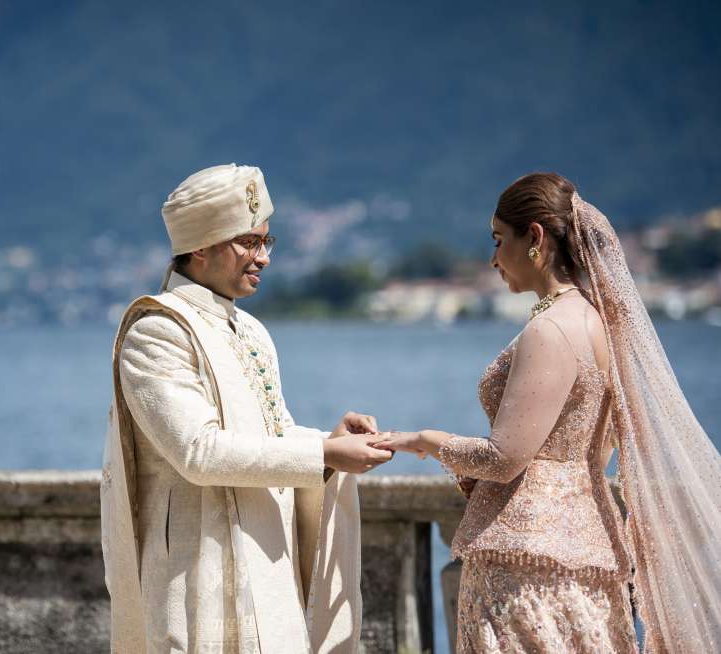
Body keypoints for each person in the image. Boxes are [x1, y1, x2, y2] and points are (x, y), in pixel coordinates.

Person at [374, 172, 721, 652]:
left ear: (534, 237)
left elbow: (504, 459)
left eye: (499, 241)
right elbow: (589, 452)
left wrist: (424, 440)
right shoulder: (599, 322)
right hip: (589, 546)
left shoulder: (551, 330)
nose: (493, 259)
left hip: (525, 563)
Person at [100, 163, 392, 653]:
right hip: (197, 571)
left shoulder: (251, 329)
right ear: (199, 246)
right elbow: (198, 452)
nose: (263, 258)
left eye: (266, 243)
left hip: (265, 562)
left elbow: (270, 434)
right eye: (248, 243)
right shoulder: (156, 330)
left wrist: (328, 442)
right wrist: (323, 456)